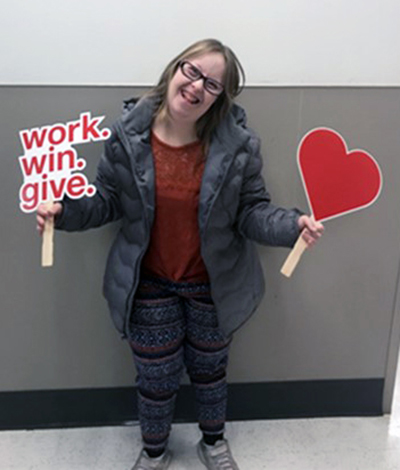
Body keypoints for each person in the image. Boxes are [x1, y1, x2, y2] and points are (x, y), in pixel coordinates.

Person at [37, 38, 324, 470]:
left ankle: (213, 443)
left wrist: (292, 226)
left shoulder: (239, 146)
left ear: (219, 98)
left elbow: (251, 210)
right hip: (148, 282)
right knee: (155, 380)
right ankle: (154, 451)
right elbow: (107, 200)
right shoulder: (127, 136)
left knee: (210, 374)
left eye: (212, 84)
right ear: (174, 69)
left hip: (213, 283)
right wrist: (64, 210)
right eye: (192, 71)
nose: (196, 87)